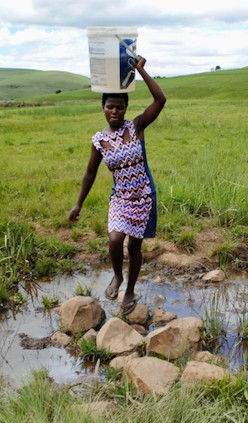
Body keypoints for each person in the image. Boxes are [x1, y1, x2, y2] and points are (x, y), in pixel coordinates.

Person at [69, 56, 166, 315]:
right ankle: (117, 276)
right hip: (120, 197)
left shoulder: (136, 127)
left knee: (134, 247)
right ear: (103, 107)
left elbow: (160, 100)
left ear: (125, 109)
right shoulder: (99, 140)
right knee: (114, 240)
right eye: (110, 107)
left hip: (143, 196)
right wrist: (78, 203)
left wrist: (141, 71)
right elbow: (90, 173)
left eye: (119, 108)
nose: (115, 112)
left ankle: (131, 290)